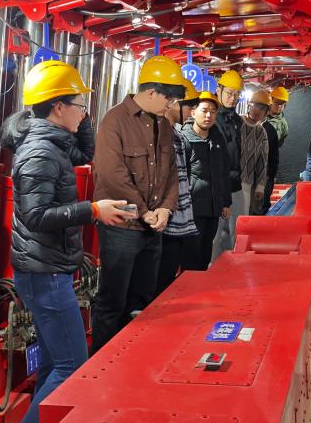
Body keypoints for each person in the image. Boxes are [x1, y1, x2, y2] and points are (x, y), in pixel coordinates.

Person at [1, 62, 135, 423]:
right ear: (58, 107)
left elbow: (84, 152)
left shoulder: (54, 143)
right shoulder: (41, 152)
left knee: (52, 363)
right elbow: (35, 216)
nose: (84, 113)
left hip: (47, 269)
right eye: (80, 106)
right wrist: (92, 210)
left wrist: (84, 118)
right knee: (71, 365)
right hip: (44, 274)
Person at [91, 56, 187, 353]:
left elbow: (172, 172)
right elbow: (113, 176)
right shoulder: (115, 121)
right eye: (169, 99)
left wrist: (166, 208)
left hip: (152, 228)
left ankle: (130, 356)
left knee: (142, 301)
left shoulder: (164, 126)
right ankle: (102, 361)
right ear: (152, 92)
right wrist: (145, 212)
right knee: (113, 301)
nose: (171, 105)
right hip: (122, 227)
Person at [156, 80, 201, 296]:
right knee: (159, 280)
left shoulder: (176, 135)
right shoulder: (161, 134)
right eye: (189, 106)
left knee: (166, 277)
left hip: (176, 219)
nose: (192, 111)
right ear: (174, 103)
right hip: (165, 221)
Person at [179, 92, 232, 270]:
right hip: (192, 209)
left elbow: (223, 173)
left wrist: (225, 202)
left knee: (205, 254)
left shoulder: (218, 139)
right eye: (204, 110)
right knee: (190, 256)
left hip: (213, 209)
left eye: (213, 112)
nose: (209, 115)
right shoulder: (184, 139)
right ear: (193, 112)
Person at [211, 70, 245, 259]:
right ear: (219, 90)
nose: (233, 99)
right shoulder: (210, 118)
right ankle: (212, 269)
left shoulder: (237, 120)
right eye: (230, 93)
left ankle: (231, 269)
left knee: (236, 233)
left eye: (237, 95)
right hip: (215, 186)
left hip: (235, 184)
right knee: (214, 236)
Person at [242, 90, 272, 215]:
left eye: (262, 108)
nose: (258, 110)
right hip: (228, 181)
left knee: (241, 218)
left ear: (266, 112)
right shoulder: (237, 123)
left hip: (247, 182)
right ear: (249, 105)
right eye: (255, 106)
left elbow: (262, 161)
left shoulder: (261, 132)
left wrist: (260, 186)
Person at [262, 86, 289, 210]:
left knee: (263, 199)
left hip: (268, 163)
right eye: (277, 102)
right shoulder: (260, 116)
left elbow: (278, 144)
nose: (279, 106)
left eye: (282, 104)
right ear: (270, 101)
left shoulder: (283, 124)